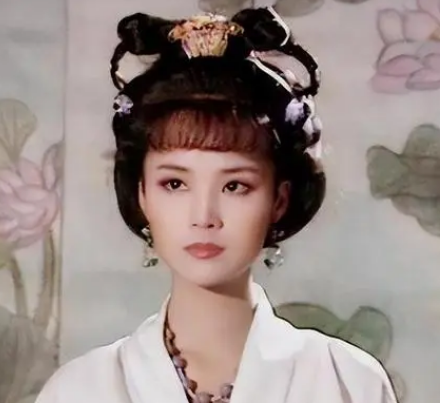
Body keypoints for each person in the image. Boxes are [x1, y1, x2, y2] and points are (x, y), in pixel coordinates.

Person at [35, 7, 398, 403]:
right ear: (142, 195)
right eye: (175, 184)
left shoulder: (348, 382)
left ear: (279, 200)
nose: (203, 216)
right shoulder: (81, 389)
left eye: (235, 186)